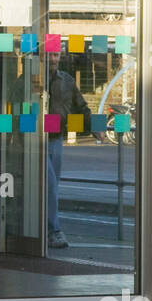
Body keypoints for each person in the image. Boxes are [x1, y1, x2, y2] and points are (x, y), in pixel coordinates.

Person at [46, 53, 96, 250]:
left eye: (55, 55)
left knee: (52, 187)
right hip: (34, 141)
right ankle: (53, 231)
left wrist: (94, 127)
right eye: (48, 55)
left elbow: (81, 107)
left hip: (56, 139)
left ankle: (44, 229)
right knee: (49, 186)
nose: (52, 59)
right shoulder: (29, 79)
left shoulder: (66, 80)